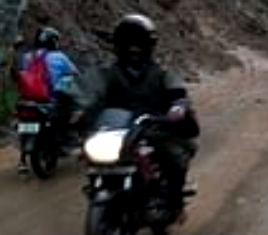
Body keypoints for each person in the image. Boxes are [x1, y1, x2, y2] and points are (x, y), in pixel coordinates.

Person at [78, 14, 199, 216]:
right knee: (90, 155)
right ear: (118, 44)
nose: (134, 49)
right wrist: (75, 108)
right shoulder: (106, 72)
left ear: (149, 45)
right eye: (128, 43)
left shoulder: (161, 72)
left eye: (139, 43)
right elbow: (86, 90)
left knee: (176, 156)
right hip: (115, 131)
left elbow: (177, 90)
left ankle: (174, 202)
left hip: (153, 129)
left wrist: (178, 106)